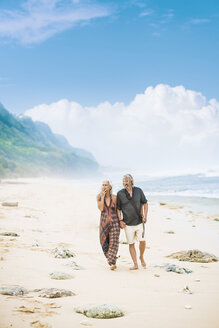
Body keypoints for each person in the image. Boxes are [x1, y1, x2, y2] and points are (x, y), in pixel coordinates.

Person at [117, 174, 148, 270]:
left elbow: (145, 203)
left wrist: (145, 216)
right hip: (127, 224)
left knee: (142, 242)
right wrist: (120, 220)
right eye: (124, 181)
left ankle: (141, 256)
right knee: (131, 244)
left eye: (127, 181)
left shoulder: (138, 191)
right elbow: (118, 209)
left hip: (139, 222)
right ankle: (135, 264)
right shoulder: (120, 194)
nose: (125, 183)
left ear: (131, 181)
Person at [97, 180, 120, 270]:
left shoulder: (114, 197)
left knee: (114, 242)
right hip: (103, 223)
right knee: (103, 242)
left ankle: (112, 263)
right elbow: (101, 208)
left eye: (106, 185)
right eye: (103, 185)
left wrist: (121, 221)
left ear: (110, 187)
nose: (104, 186)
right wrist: (102, 197)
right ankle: (111, 258)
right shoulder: (98, 197)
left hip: (114, 222)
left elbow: (118, 210)